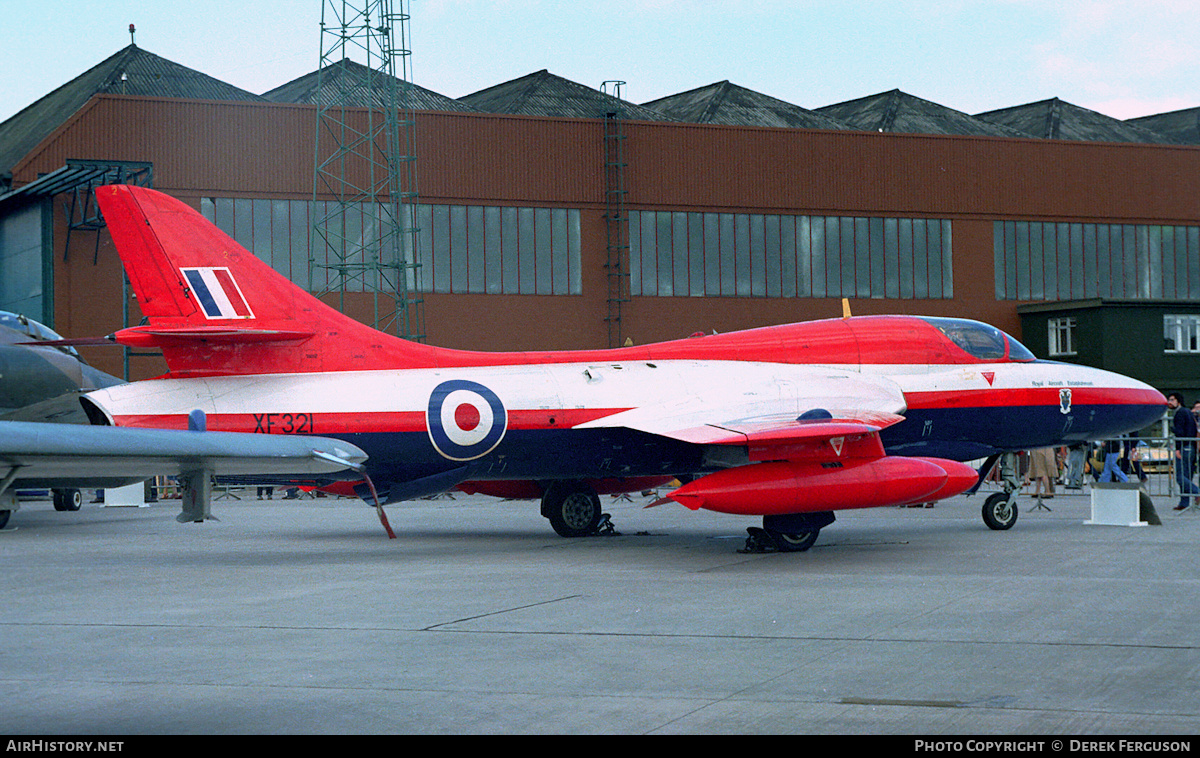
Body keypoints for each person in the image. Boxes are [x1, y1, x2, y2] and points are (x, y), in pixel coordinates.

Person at [1167, 392, 1199, 510]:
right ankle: (1184, 502)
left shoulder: (1179, 413)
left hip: (1184, 447)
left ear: (1178, 401)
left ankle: (1197, 492)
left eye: (1171, 400)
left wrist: (1177, 448)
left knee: (1180, 476)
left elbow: (1180, 432)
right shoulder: (1187, 412)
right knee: (1186, 475)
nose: (1169, 402)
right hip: (1191, 447)